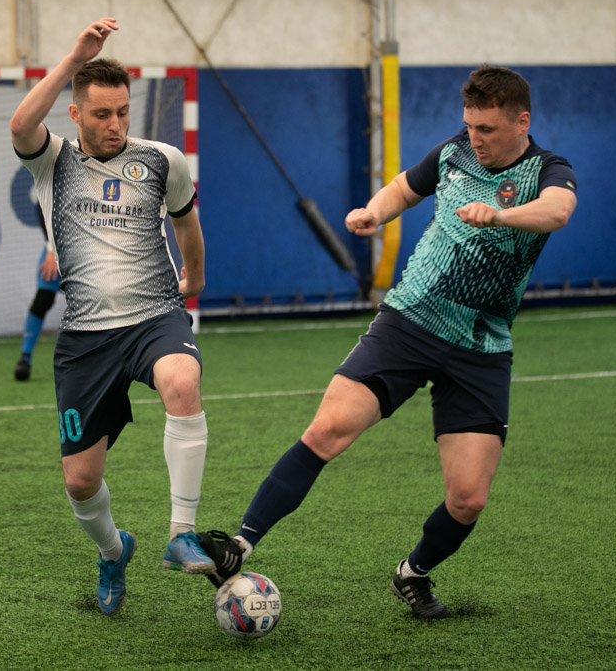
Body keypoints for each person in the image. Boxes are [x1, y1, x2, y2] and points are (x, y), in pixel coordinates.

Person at [197, 65, 578, 619]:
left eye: (488, 129)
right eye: (470, 125)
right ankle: (240, 544)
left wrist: (499, 215)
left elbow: (558, 210)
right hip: (410, 321)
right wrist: (374, 211)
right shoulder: (454, 153)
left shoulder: (549, 169)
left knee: (468, 498)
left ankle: (413, 572)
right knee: (327, 429)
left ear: (522, 122)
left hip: (481, 345)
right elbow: (404, 187)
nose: (475, 137)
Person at [10, 18, 213, 616]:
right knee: (79, 481)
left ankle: (182, 533)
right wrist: (76, 56)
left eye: (122, 112)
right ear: (76, 114)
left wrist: (196, 278)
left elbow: (186, 222)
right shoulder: (52, 160)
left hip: (155, 315)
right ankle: (112, 551)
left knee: (183, 382)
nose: (115, 124)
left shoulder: (162, 160)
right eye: (101, 114)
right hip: (86, 338)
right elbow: (20, 125)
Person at [14, 203, 61, 381]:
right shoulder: (55, 187)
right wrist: (51, 249)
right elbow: (41, 206)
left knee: (93, 301)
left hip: (89, 249)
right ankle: (25, 357)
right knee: (43, 300)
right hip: (57, 248)